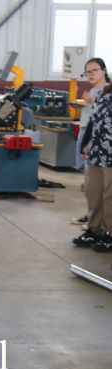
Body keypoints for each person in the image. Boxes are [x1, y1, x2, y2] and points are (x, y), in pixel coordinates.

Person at [71, 58, 109, 238]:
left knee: (105, 190)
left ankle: (104, 228)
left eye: (94, 70)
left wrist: (91, 101)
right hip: (88, 136)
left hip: (102, 144)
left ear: (104, 71)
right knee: (91, 186)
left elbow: (104, 118)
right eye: (88, 72)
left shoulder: (106, 91)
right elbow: (93, 117)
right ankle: (93, 221)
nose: (91, 74)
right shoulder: (95, 91)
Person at [75, 80, 112, 251]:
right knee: (93, 192)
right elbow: (93, 120)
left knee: (110, 195)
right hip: (97, 153)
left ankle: (109, 233)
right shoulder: (105, 94)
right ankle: (94, 230)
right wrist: (85, 142)